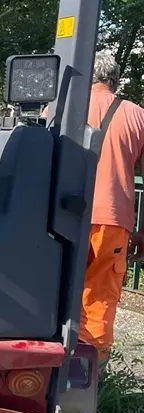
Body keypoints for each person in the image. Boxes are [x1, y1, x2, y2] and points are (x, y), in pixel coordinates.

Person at [77, 51, 144, 369]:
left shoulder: (63, 108)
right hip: (112, 222)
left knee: (53, 285)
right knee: (100, 294)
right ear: (114, 80)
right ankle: (89, 379)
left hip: (60, 215)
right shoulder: (136, 115)